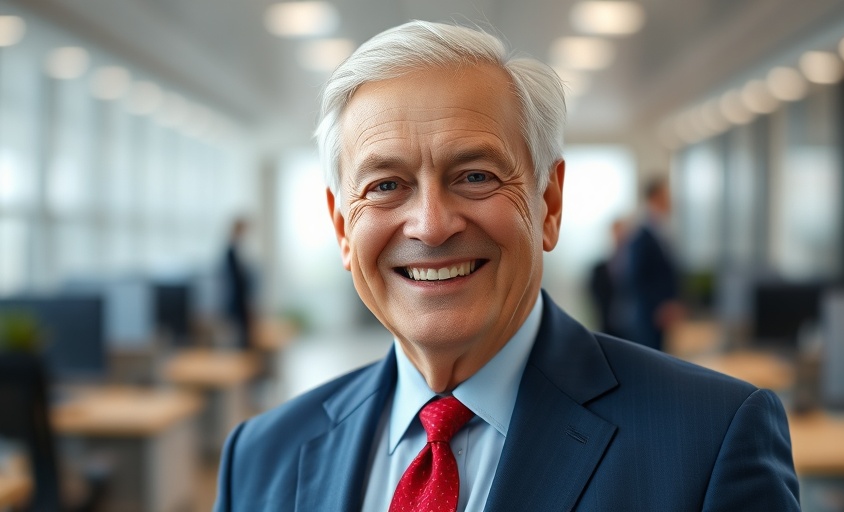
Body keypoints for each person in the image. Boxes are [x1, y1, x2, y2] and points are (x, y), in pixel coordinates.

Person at [214, 21, 799, 511]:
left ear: (548, 203)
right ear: (343, 228)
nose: (431, 224)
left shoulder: (711, 439)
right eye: (386, 185)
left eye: (475, 176)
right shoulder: (260, 460)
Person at [627, 177, 684, 352]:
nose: (671, 201)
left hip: (661, 315)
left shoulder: (661, 232)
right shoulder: (641, 236)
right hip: (650, 315)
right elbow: (636, 277)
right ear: (655, 197)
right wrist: (660, 305)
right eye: (667, 195)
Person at [587, 218, 632, 339]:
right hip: (608, 327)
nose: (620, 236)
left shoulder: (636, 266)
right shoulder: (600, 268)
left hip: (633, 330)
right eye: (617, 232)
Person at [221, 217, 255, 349]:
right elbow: (232, 282)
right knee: (236, 340)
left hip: (243, 302)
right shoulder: (230, 252)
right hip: (235, 302)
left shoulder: (242, 251)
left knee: (246, 339)